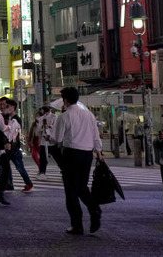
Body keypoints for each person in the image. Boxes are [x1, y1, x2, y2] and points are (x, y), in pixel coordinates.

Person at [51, 87, 103, 235]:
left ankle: (77, 224)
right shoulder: (89, 114)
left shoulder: (64, 116)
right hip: (87, 154)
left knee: (71, 190)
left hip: (71, 153)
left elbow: (57, 138)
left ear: (65, 100)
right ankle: (94, 208)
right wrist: (99, 152)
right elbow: (95, 135)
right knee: (81, 186)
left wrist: (50, 137)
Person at [0, 97, 34, 193]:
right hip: (10, 147)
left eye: (8, 106)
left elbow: (13, 134)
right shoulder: (9, 118)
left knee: (19, 167)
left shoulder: (15, 119)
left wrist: (9, 142)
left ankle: (29, 183)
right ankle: (7, 184)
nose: (5, 108)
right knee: (4, 166)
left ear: (13, 107)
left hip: (13, 148)